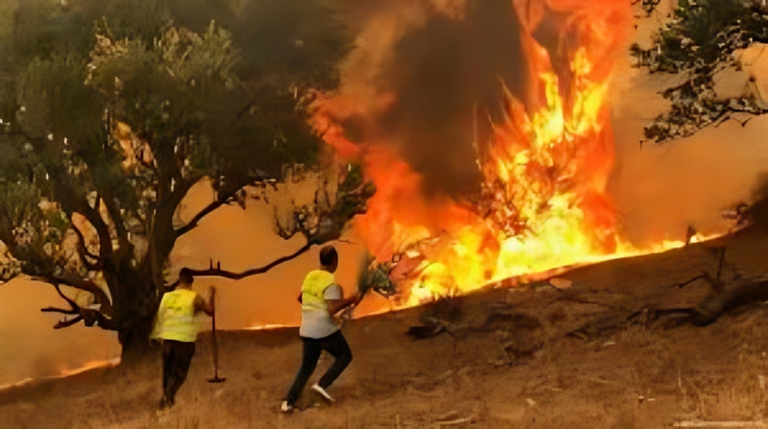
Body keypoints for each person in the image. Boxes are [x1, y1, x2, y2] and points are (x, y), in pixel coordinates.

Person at [281, 245, 362, 413]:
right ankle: (321, 385)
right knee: (345, 355)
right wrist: (351, 300)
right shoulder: (329, 281)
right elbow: (332, 308)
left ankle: (288, 403)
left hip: (307, 328)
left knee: (307, 366)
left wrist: (314, 309)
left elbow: (301, 298)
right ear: (334, 261)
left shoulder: (310, 276)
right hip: (322, 328)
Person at [151, 268, 214, 410]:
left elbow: (159, 317)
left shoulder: (167, 297)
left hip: (167, 340)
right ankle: (167, 400)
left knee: (167, 373)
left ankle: (166, 400)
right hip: (184, 340)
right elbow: (210, 311)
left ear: (179, 281)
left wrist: (155, 335)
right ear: (191, 283)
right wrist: (211, 295)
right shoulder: (193, 297)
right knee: (179, 373)